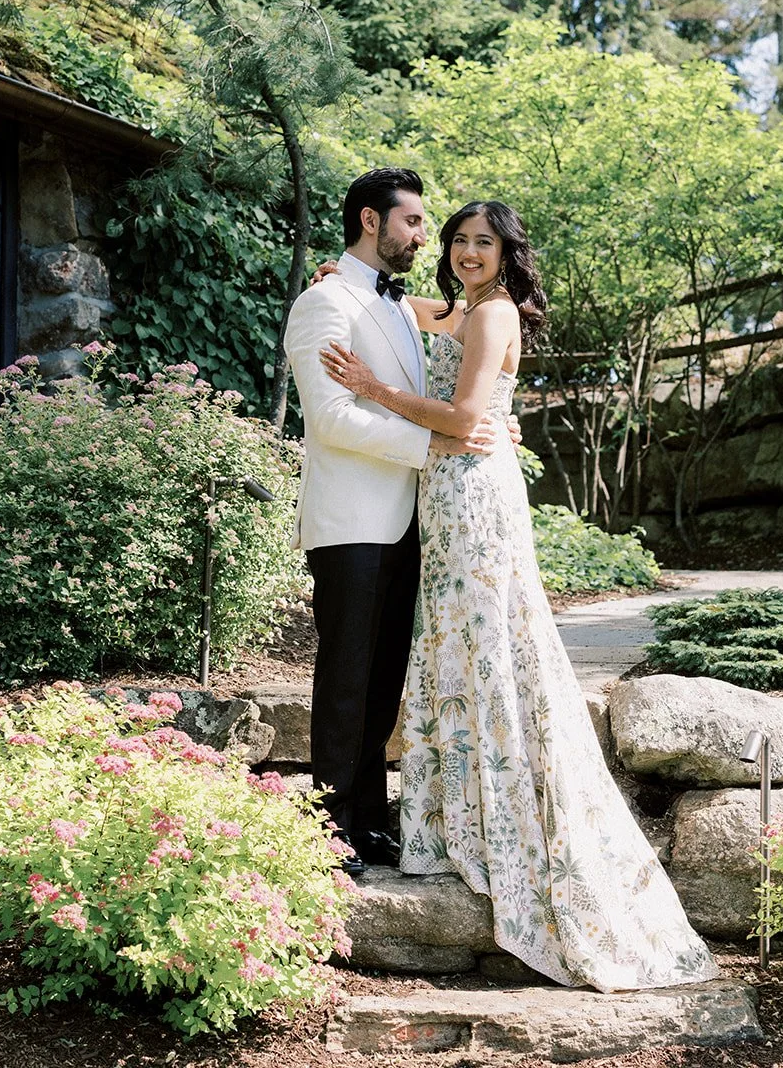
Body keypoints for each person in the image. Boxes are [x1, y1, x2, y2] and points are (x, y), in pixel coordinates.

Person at [319, 199, 719, 992]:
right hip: (449, 488)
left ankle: (499, 821)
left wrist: (370, 386)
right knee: (457, 640)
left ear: (508, 253)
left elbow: (467, 415)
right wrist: (350, 280)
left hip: (471, 493)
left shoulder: (494, 314)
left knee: (487, 640)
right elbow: (418, 309)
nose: (468, 252)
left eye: (484, 242)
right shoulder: (467, 306)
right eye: (459, 241)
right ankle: (451, 819)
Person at [283, 168, 516, 878]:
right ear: (369, 221)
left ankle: (367, 821)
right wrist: (433, 445)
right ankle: (326, 829)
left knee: (384, 683)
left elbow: (455, 381)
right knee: (347, 678)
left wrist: (484, 427)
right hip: (351, 518)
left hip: (412, 517)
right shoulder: (324, 304)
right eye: (414, 222)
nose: (426, 235)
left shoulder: (396, 301)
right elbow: (330, 418)